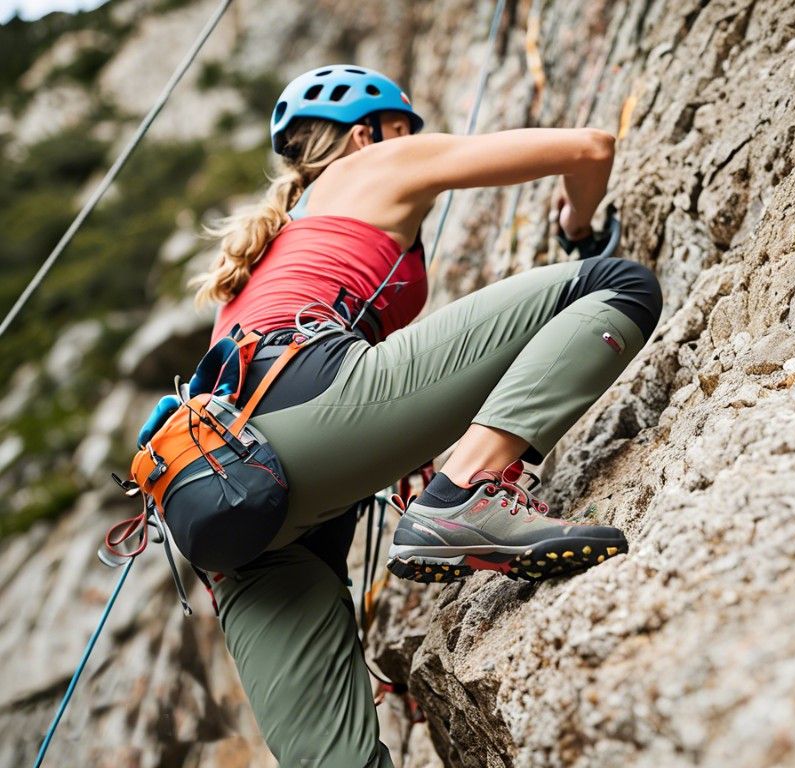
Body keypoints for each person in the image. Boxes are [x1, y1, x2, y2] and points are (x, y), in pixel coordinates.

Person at [191, 65, 662, 767]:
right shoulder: (381, 160)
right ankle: (465, 489)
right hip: (306, 406)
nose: (414, 141)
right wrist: (579, 224)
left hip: (218, 500)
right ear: (365, 135)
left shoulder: (264, 258)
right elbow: (591, 148)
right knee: (616, 284)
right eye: (405, 129)